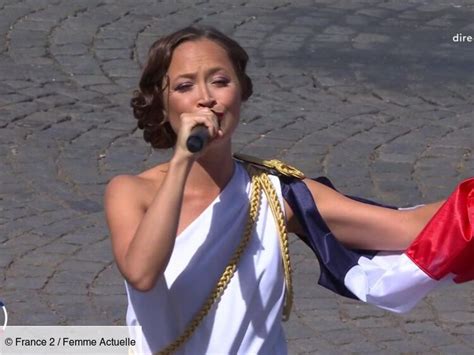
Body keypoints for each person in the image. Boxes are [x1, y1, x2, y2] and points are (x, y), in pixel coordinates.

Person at [104, 26, 473, 354]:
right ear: (162, 103)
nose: (206, 98)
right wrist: (185, 159)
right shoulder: (131, 192)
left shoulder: (277, 194)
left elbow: (409, 228)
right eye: (185, 86)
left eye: (220, 81)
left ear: (241, 93)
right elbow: (141, 273)